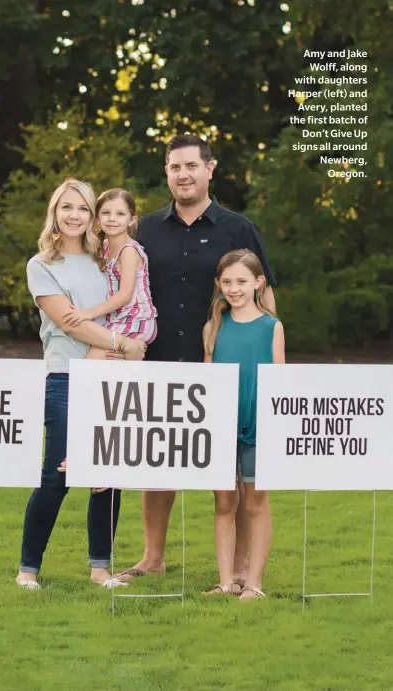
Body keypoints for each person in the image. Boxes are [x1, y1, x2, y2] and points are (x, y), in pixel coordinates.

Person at [119, 134, 276, 587]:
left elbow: (264, 295)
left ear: (210, 169)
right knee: (157, 463)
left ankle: (243, 567)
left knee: (230, 474)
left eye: (191, 165)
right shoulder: (144, 229)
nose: (182, 174)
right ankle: (153, 558)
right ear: (166, 173)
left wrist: (264, 354)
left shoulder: (238, 228)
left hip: (222, 364)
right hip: (158, 361)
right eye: (174, 167)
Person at [15, 178, 146, 591]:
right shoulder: (41, 265)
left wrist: (121, 350)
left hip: (110, 378)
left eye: (83, 209)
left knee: (107, 472)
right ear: (54, 212)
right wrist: (122, 344)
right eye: (66, 207)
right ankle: (27, 570)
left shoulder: (103, 260)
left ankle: (101, 569)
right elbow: (68, 319)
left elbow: (125, 302)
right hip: (66, 377)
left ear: (92, 216)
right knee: (57, 475)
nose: (74, 215)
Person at [202, 249, 285, 599]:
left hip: (258, 428)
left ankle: (254, 583)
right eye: (227, 282)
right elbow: (205, 383)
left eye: (241, 281)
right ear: (219, 285)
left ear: (258, 282)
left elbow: (280, 382)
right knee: (224, 503)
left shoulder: (272, 327)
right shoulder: (213, 327)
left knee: (255, 503)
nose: (234, 288)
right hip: (221, 429)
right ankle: (226, 582)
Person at [62, 187, 157, 350]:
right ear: (97, 218)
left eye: (120, 214)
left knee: (94, 358)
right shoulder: (105, 246)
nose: (112, 219)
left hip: (136, 318)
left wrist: (88, 312)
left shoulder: (128, 250)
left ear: (132, 219)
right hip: (118, 317)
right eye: (106, 213)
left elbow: (125, 295)